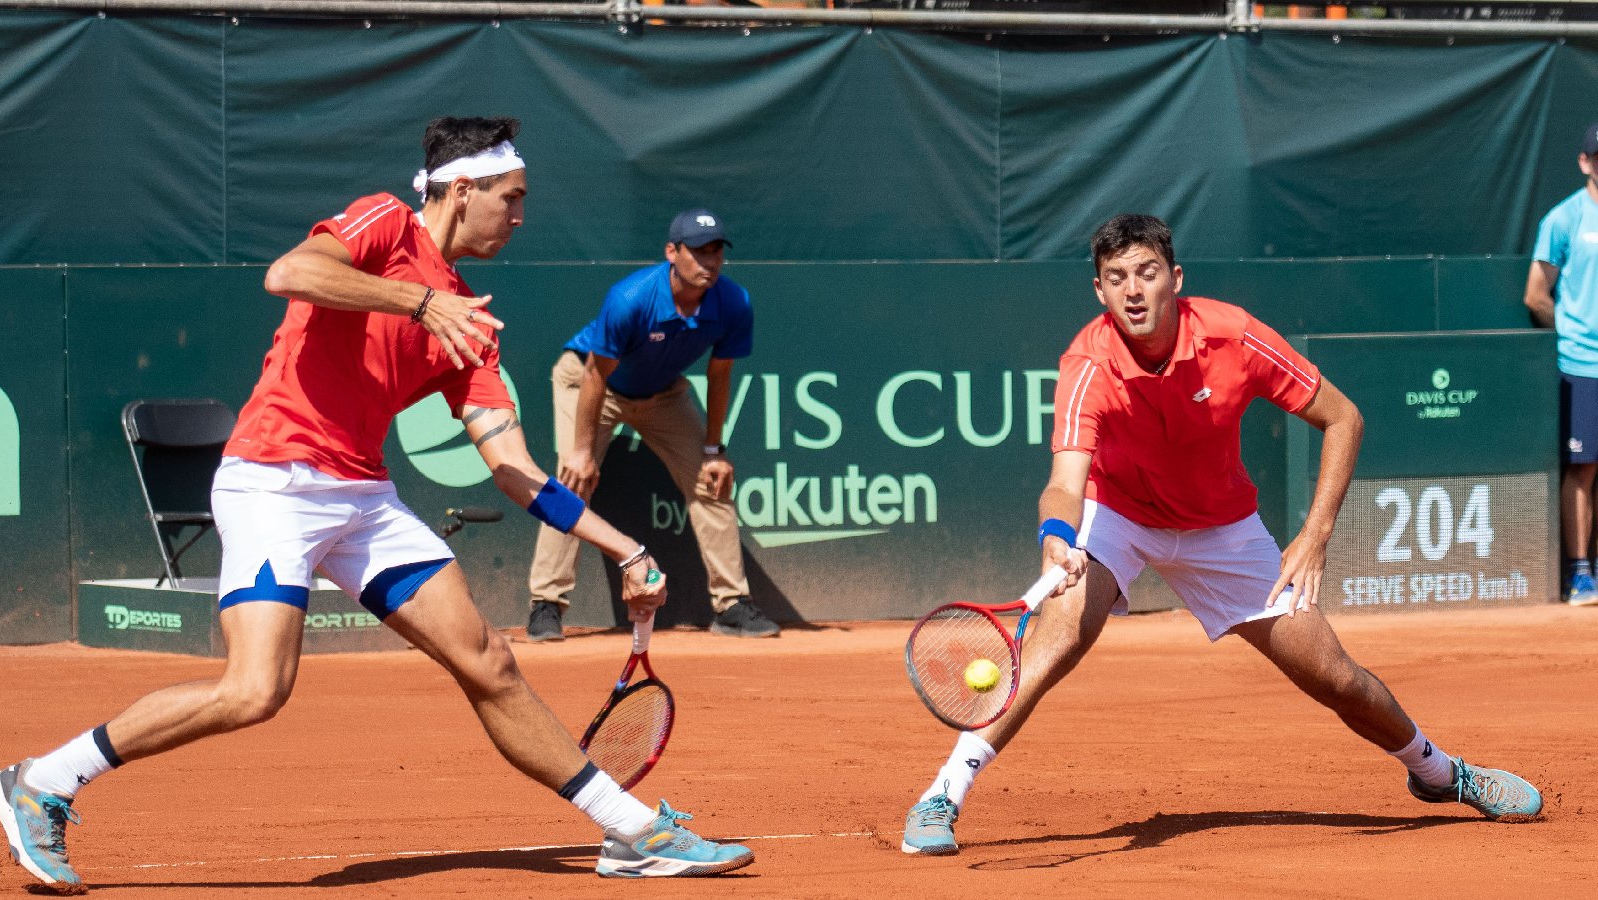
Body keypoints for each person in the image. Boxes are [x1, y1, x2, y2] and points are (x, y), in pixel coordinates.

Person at [0, 117, 753, 891]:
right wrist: (419, 303)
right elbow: (290, 273)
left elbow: (515, 471)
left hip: (363, 498)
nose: (520, 217)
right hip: (274, 481)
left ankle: (630, 831)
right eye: (512, 199)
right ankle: (44, 780)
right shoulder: (385, 223)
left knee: (488, 660)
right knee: (256, 690)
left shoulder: (471, 322)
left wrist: (622, 545)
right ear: (463, 191)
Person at [900, 213, 1543, 856]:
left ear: (1174, 279)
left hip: (1222, 530)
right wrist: (1056, 536)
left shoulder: (1232, 337)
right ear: (1100, 292)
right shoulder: (1087, 363)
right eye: (1116, 278)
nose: (1133, 290)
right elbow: (1065, 481)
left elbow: (1343, 418)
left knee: (1336, 678)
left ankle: (1439, 774)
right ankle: (943, 795)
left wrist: (1315, 534)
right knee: (1059, 633)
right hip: (1118, 514)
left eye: (1147, 273)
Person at [524, 209, 778, 640]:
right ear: (671, 252)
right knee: (572, 482)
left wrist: (715, 450)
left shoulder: (733, 302)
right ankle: (546, 604)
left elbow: (719, 375)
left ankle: (732, 604)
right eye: (698, 252)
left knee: (710, 479)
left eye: (716, 252)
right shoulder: (632, 298)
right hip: (590, 384)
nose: (709, 262)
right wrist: (582, 452)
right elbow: (594, 374)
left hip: (663, 394)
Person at [1526, 121, 1598, 607]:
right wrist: (1574, 330)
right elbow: (1536, 295)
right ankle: (1579, 575)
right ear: (1584, 161)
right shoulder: (1563, 219)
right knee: (1585, 467)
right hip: (1581, 364)